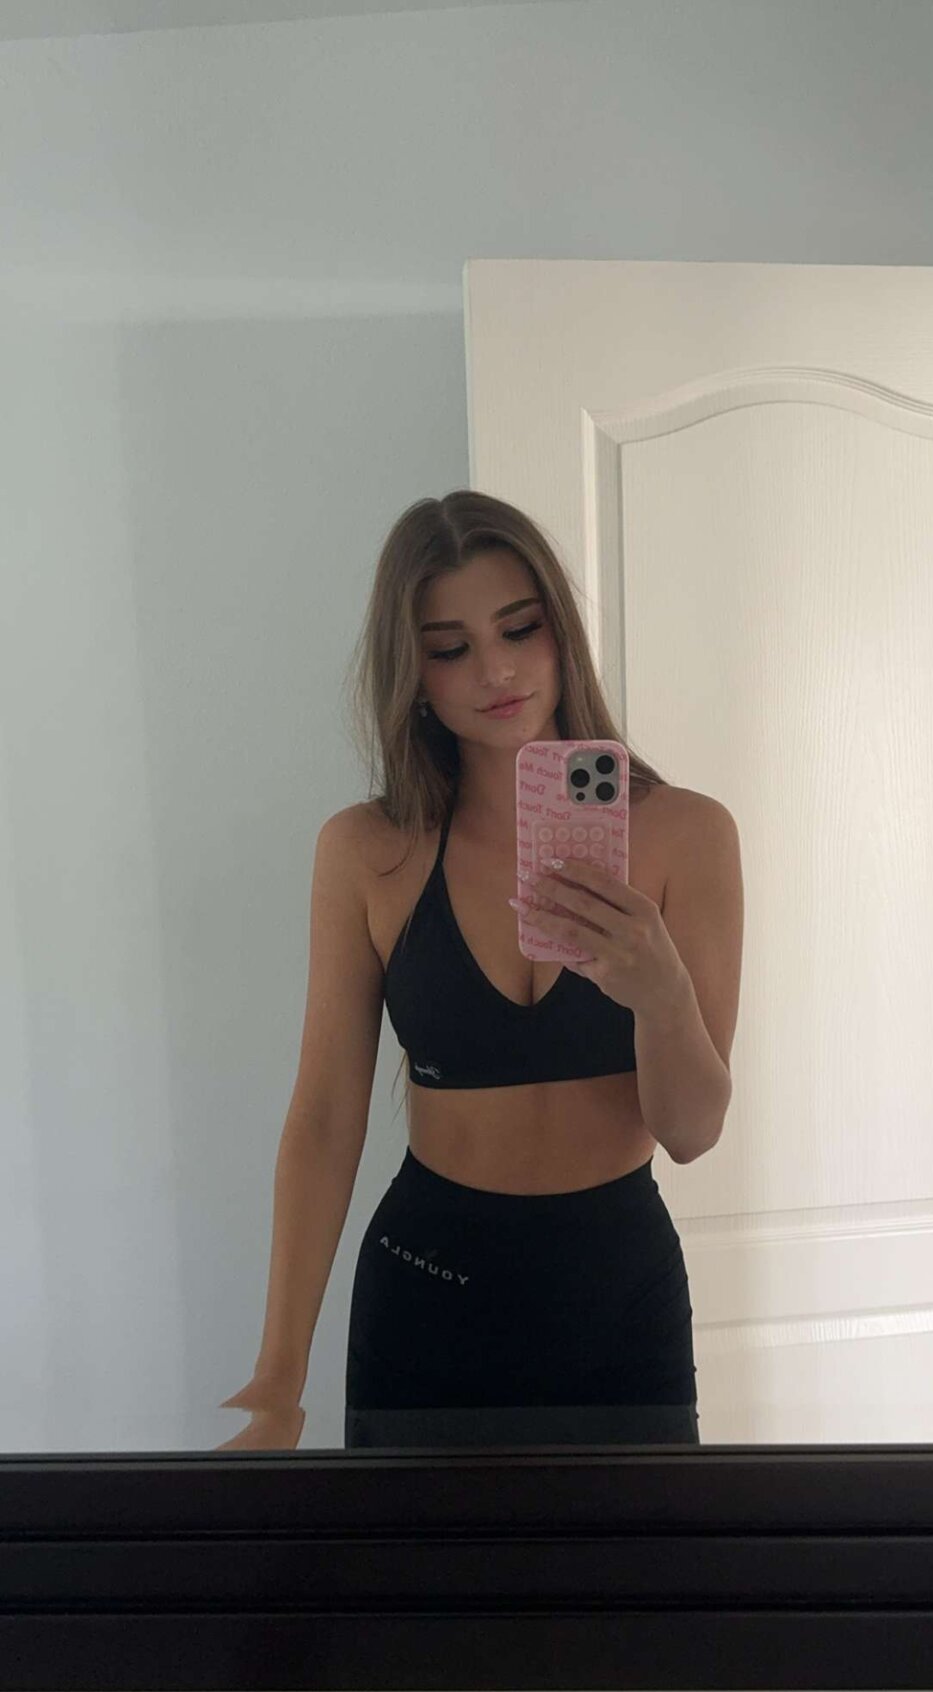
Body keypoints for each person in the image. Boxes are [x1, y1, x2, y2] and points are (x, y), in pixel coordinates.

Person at [221, 491, 743, 1450]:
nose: (494, 670)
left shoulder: (686, 835)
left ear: (560, 631)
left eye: (518, 628)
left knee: (644, 1553)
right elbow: (326, 1118)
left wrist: (662, 996)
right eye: (449, 647)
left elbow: (691, 1133)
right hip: (428, 1291)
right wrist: (277, 1382)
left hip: (617, 1298)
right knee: (419, 1557)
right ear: (411, 672)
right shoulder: (367, 852)